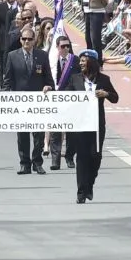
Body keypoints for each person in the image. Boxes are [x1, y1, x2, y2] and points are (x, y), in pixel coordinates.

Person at [64, 49, 119, 203]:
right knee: (81, 158)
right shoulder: (75, 79)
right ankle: (81, 193)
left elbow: (115, 98)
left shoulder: (104, 80)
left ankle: (90, 184)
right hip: (80, 125)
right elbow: (65, 97)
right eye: (80, 61)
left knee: (95, 156)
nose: (80, 63)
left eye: (83, 60)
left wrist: (106, 94)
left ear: (92, 62)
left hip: (97, 125)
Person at [4, 25, 51, 174]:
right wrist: (6, 97)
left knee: (38, 134)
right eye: (24, 39)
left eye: (30, 39)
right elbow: (7, 80)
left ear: (34, 40)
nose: (26, 42)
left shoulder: (42, 56)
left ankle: (37, 162)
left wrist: (48, 87)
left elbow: (48, 79)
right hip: (20, 102)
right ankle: (24, 163)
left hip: (38, 102)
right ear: (20, 40)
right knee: (22, 134)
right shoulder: (12, 56)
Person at [45, 34, 79, 170]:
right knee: (55, 132)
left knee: (71, 132)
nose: (65, 48)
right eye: (63, 46)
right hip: (55, 100)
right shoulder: (50, 61)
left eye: (68, 46)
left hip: (70, 100)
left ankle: (70, 156)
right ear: (57, 47)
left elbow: (79, 79)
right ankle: (55, 159)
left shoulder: (75, 61)